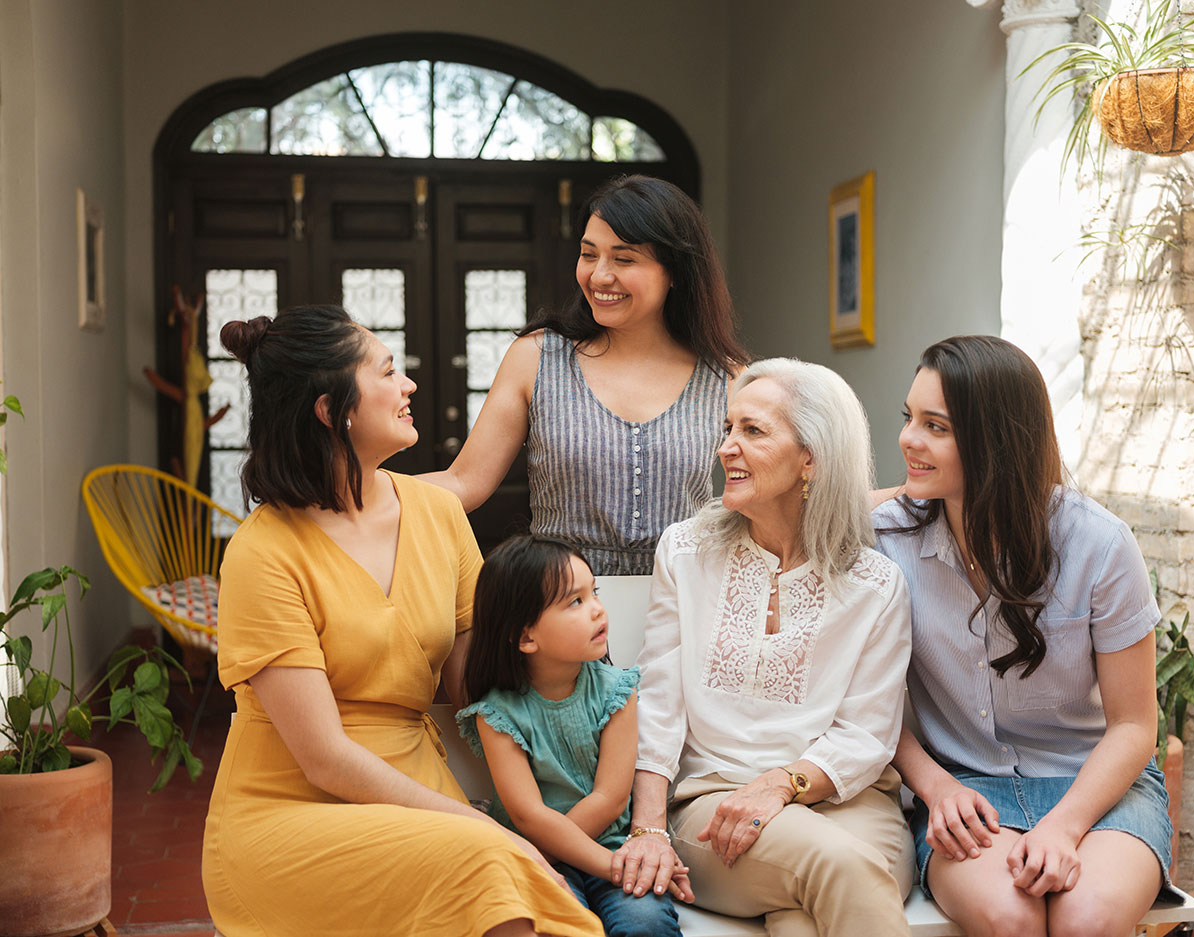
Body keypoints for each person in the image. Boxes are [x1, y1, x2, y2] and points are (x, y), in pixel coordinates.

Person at [200, 305, 603, 937]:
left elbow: (473, 684)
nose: (409, 384)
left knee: (506, 884)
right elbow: (326, 759)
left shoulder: (437, 513)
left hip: (415, 791)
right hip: (289, 816)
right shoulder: (262, 553)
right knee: (488, 862)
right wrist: (483, 825)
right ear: (333, 410)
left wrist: (578, 678)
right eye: (388, 371)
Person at [873, 335, 1170, 937]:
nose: (908, 439)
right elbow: (866, 706)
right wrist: (935, 787)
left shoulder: (1100, 546)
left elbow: (1136, 726)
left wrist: (1064, 827)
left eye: (937, 427)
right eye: (910, 418)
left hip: (1098, 792)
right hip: (964, 791)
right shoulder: (884, 538)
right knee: (1012, 916)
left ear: (995, 442)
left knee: (1086, 919)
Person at [614, 358, 914, 937]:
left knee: (802, 920)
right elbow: (659, 701)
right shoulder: (685, 552)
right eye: (728, 429)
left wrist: (781, 786)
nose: (727, 446)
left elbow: (867, 734)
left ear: (812, 457)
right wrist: (648, 826)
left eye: (752, 431)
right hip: (713, 808)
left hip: (848, 804)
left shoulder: (874, 584)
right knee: (841, 867)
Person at [424, 174, 748, 575]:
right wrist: (356, 491)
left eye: (624, 259)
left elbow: (766, 499)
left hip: (680, 606)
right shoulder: (537, 356)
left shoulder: (728, 377)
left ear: (675, 271)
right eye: (589, 254)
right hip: (559, 605)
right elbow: (463, 482)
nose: (598, 276)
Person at [456, 535, 685, 937]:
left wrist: (615, 862)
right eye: (575, 602)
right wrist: (610, 868)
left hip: (612, 844)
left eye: (593, 592)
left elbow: (611, 796)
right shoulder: (496, 715)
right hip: (539, 859)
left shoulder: (617, 689)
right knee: (558, 927)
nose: (598, 609)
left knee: (646, 925)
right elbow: (529, 815)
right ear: (526, 636)